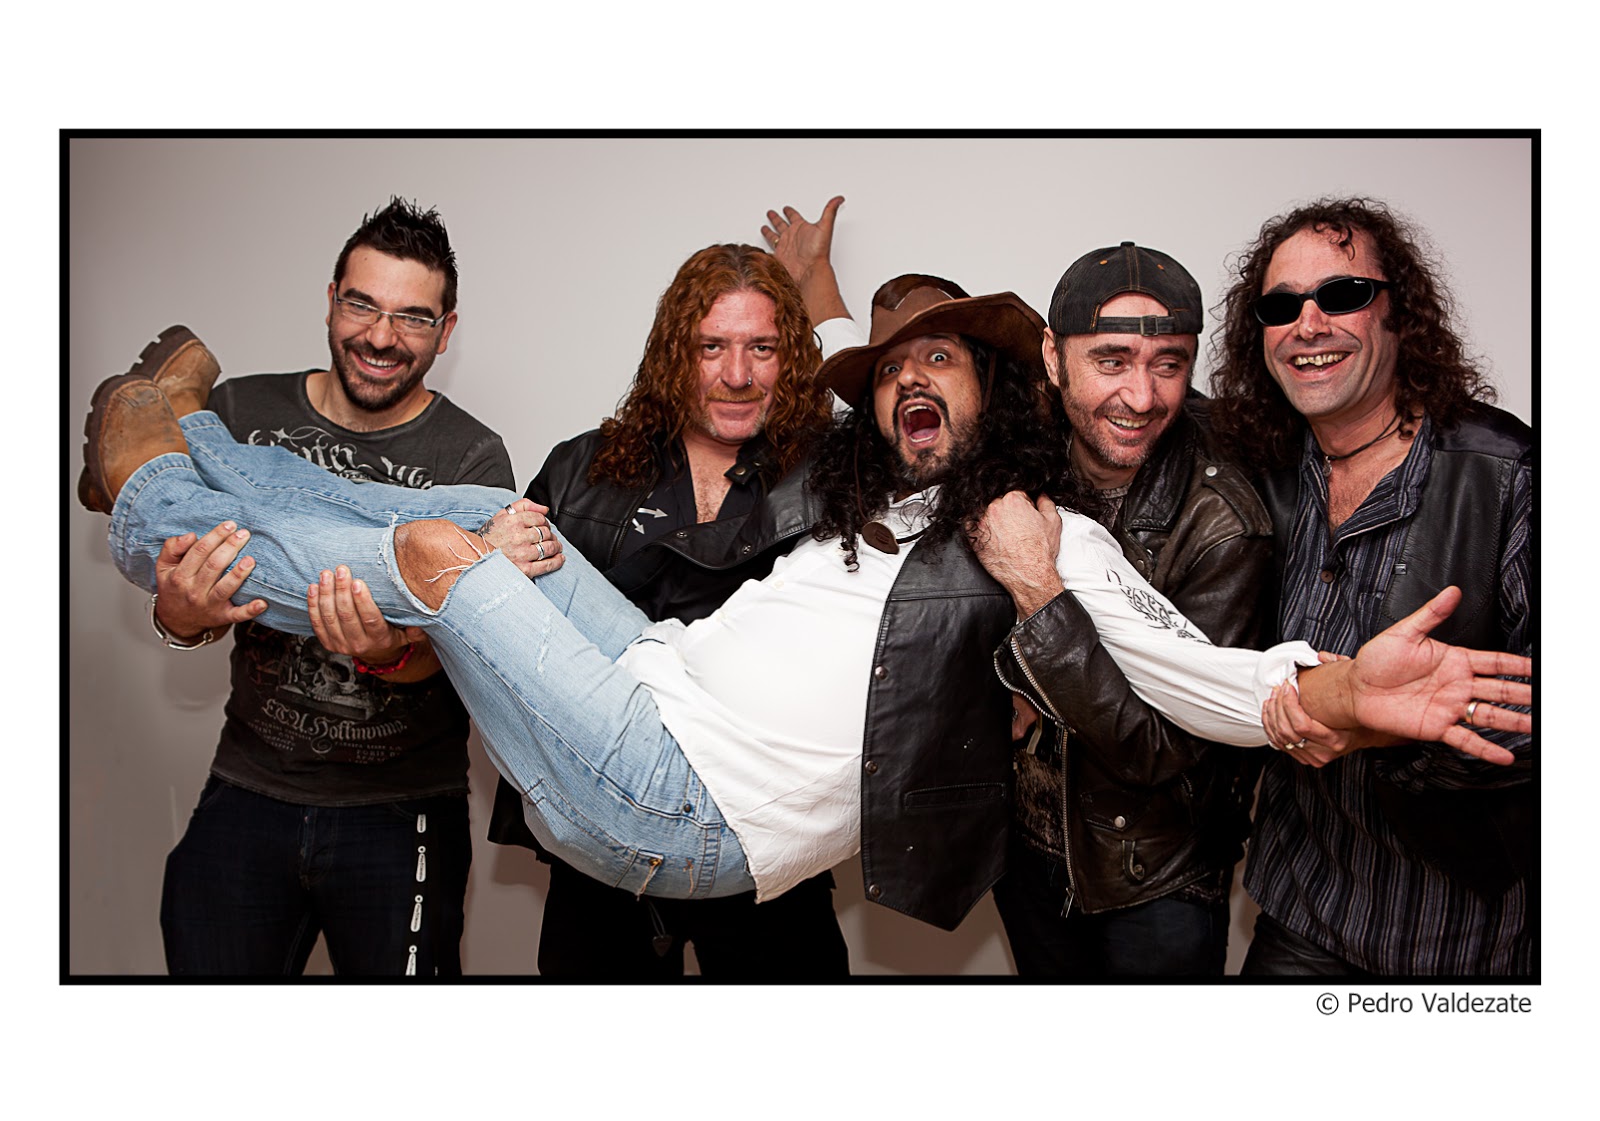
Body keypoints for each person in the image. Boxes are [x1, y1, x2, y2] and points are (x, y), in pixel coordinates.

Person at [82, 280, 1531, 935]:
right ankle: (187, 448)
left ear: (996, 398)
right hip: (649, 682)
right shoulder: (870, 508)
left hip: (676, 802)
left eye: (941, 365)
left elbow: (1194, 673)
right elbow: (826, 355)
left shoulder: (1036, 533)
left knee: (441, 559)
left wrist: (1337, 693)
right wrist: (841, 314)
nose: (909, 380)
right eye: (892, 370)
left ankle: (149, 489)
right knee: (488, 513)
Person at [763, 205, 1271, 975]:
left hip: (1152, 873)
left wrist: (1037, 591)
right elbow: (892, 390)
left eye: (1168, 364)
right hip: (1027, 847)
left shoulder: (1224, 523)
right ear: (1053, 360)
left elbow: (1168, 748)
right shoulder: (1014, 435)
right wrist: (818, 286)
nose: (1139, 396)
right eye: (1110, 361)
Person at [82, 199, 513, 976]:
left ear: (446, 331)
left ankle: (142, 482)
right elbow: (198, 597)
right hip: (250, 783)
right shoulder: (244, 409)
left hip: (402, 806)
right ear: (330, 299)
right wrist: (179, 614)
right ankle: (152, 480)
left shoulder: (473, 457)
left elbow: (464, 648)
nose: (380, 337)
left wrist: (389, 651)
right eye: (362, 305)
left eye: (413, 318)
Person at [484, 243, 850, 978]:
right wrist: (487, 561)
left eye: (762, 348)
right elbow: (512, 636)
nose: (737, 375)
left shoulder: (833, 475)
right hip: (602, 829)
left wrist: (824, 285)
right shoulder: (583, 468)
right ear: (672, 354)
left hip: (766, 835)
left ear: (792, 357)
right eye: (711, 347)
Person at [1210, 196, 1533, 975]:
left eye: (1343, 294)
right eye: (1281, 306)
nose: (1308, 323)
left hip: (1463, 938)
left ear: (1398, 316)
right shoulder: (1264, 468)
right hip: (1299, 911)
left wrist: (1388, 726)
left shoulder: (1506, 474)